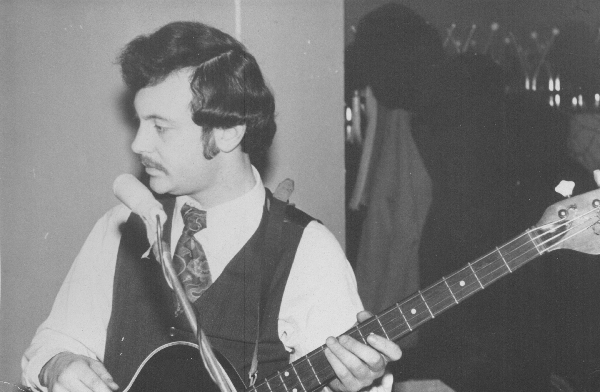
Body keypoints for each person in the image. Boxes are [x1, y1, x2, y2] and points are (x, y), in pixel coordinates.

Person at [21, 21, 402, 392]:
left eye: (160, 126)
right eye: (139, 122)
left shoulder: (309, 250)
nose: (138, 144)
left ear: (228, 131)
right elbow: (54, 341)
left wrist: (356, 383)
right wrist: (59, 365)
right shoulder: (122, 224)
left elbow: (347, 377)